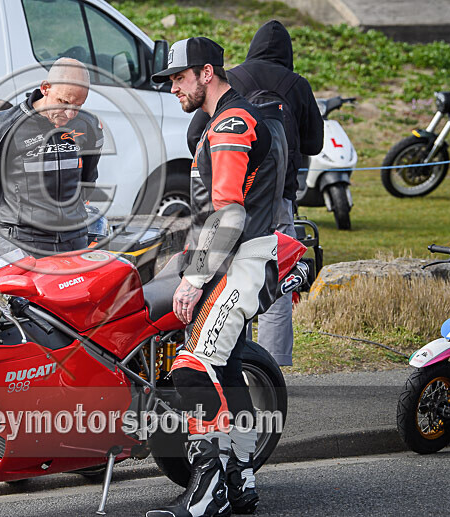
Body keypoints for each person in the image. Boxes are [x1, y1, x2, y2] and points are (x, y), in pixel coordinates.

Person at [148, 37, 285, 517]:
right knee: (225, 371)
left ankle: (208, 496)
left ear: (207, 73)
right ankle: (241, 481)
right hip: (238, 259)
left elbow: (228, 213)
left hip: (240, 262)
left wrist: (193, 279)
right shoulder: (226, 119)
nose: (173, 88)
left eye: (179, 78)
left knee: (191, 370)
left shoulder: (230, 122)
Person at [188, 20, 324, 368]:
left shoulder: (231, 80)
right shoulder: (296, 83)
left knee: (230, 279)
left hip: (232, 191)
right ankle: (272, 364)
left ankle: (236, 356)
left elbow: (194, 134)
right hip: (279, 196)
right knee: (275, 277)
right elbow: (314, 143)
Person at [0, 58, 103, 254]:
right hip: (23, 242)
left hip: (74, 239)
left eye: (78, 106)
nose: (70, 114)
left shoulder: (89, 125)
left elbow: (88, 182)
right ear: (45, 88)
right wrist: (0, 238)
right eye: (64, 102)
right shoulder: (2, 127)